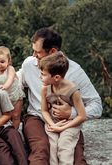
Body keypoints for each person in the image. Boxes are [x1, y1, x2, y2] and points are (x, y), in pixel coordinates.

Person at [17, 27, 102, 165]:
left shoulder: (75, 71)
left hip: (66, 122)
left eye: (38, 52)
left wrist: (71, 112)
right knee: (41, 149)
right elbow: (16, 81)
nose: (33, 55)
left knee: (75, 155)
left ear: (53, 52)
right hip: (37, 116)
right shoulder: (29, 64)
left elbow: (97, 105)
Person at [39, 51, 86, 165]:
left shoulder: (73, 91)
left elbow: (82, 116)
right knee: (52, 146)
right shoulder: (45, 89)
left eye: (43, 74)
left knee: (64, 146)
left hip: (70, 124)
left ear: (56, 77)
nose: (40, 77)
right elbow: (44, 110)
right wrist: (53, 125)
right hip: (52, 122)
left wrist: (61, 128)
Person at [0, 46, 25, 129]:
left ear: (9, 61)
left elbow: (10, 79)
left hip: (15, 96)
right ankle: (6, 131)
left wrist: (5, 86)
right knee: (3, 116)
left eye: (2, 62)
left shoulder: (10, 69)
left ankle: (16, 131)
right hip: (3, 98)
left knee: (15, 115)